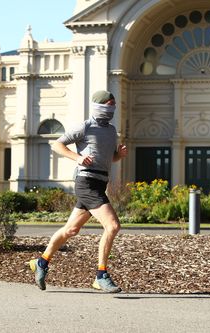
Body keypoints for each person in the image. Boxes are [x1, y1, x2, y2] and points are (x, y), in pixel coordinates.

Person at [29, 90, 128, 293]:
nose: (111, 108)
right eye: (108, 104)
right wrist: (77, 157)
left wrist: (119, 155)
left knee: (71, 230)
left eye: (113, 105)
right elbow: (57, 145)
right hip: (86, 182)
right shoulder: (85, 126)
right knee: (112, 226)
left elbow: (109, 160)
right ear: (98, 105)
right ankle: (101, 275)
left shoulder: (111, 130)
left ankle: (42, 261)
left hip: (100, 183)